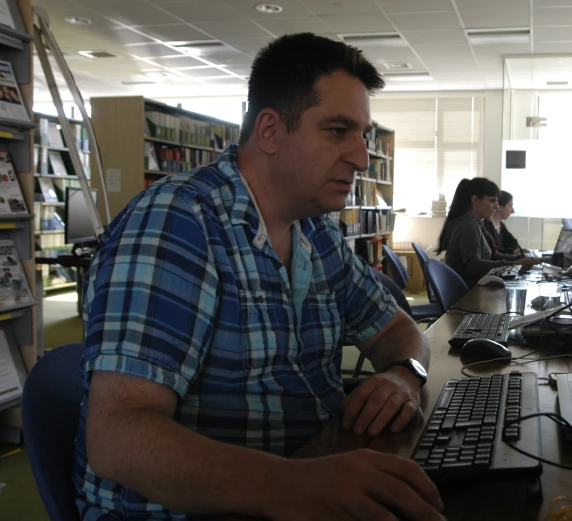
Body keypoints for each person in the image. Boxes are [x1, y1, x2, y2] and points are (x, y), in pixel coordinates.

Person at [73, 33, 444, 521]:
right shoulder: (178, 222)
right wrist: (299, 487)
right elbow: (118, 437)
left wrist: (404, 375)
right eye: (338, 131)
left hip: (301, 478)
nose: (360, 156)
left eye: (363, 135)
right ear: (269, 131)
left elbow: (399, 330)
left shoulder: (315, 230)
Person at [437, 178, 540, 287]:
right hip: (468, 294)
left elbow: (492, 256)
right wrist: (514, 264)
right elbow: (474, 265)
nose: (496, 206)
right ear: (475, 200)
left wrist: (517, 260)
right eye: (492, 201)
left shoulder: (475, 223)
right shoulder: (468, 226)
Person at [481, 190, 522, 256]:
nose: (513, 211)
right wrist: (511, 251)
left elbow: (514, 243)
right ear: (499, 207)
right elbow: (493, 253)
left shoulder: (500, 225)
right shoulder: (484, 226)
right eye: (510, 206)